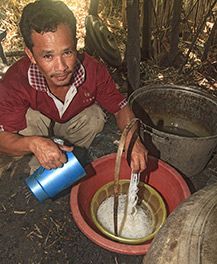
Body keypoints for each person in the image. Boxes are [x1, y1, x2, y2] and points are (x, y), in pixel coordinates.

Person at [0, 0, 148, 174]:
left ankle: (70, 158)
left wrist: (133, 140)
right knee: (29, 120)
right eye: (48, 56)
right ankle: (40, 166)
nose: (61, 67)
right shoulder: (16, 80)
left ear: (76, 45)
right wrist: (33, 144)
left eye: (67, 52)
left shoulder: (93, 71)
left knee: (94, 116)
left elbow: (120, 108)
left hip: (71, 125)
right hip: (37, 127)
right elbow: (3, 139)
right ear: (30, 55)